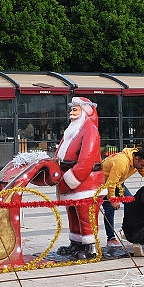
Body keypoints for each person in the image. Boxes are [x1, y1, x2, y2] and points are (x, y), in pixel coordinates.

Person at [54, 97, 105, 259]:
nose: (71, 112)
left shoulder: (89, 130)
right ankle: (76, 242)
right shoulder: (73, 129)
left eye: (75, 109)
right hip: (69, 181)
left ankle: (90, 246)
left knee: (86, 214)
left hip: (86, 183)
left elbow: (86, 159)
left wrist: (72, 178)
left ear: (85, 111)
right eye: (71, 109)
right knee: (73, 213)